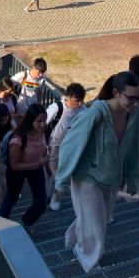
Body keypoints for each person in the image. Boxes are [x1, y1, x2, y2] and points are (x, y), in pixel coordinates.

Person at [55, 71, 139, 273]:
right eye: (131, 98)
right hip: (87, 177)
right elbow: (70, 145)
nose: (136, 103)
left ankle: (73, 242)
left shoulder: (135, 115)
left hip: (111, 178)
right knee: (96, 226)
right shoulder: (95, 114)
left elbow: (135, 147)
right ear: (116, 92)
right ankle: (87, 260)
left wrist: (132, 178)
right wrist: (61, 180)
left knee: (97, 218)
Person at [0, 104, 49, 232]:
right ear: (30, 120)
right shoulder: (18, 138)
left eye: (44, 121)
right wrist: (38, 164)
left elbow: (43, 149)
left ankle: (26, 222)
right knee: (12, 197)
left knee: (41, 202)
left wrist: (47, 166)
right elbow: (14, 165)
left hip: (36, 168)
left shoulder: (42, 131)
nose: (42, 124)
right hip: (18, 171)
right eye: (39, 121)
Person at [47, 83, 87, 211]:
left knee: (63, 175)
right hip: (55, 145)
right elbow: (43, 123)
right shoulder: (57, 108)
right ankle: (48, 197)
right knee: (53, 173)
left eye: (82, 100)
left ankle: (55, 198)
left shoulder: (83, 110)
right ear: (67, 97)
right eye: (77, 100)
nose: (80, 104)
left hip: (73, 146)